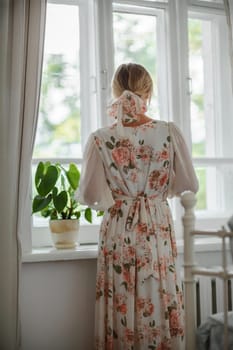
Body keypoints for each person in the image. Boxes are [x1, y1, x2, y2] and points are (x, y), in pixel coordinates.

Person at [77, 63, 199, 349]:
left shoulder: (100, 138)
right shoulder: (169, 132)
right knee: (158, 293)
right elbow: (188, 184)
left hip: (119, 225)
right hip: (156, 224)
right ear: (149, 92)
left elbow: (90, 194)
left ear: (115, 92)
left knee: (122, 297)